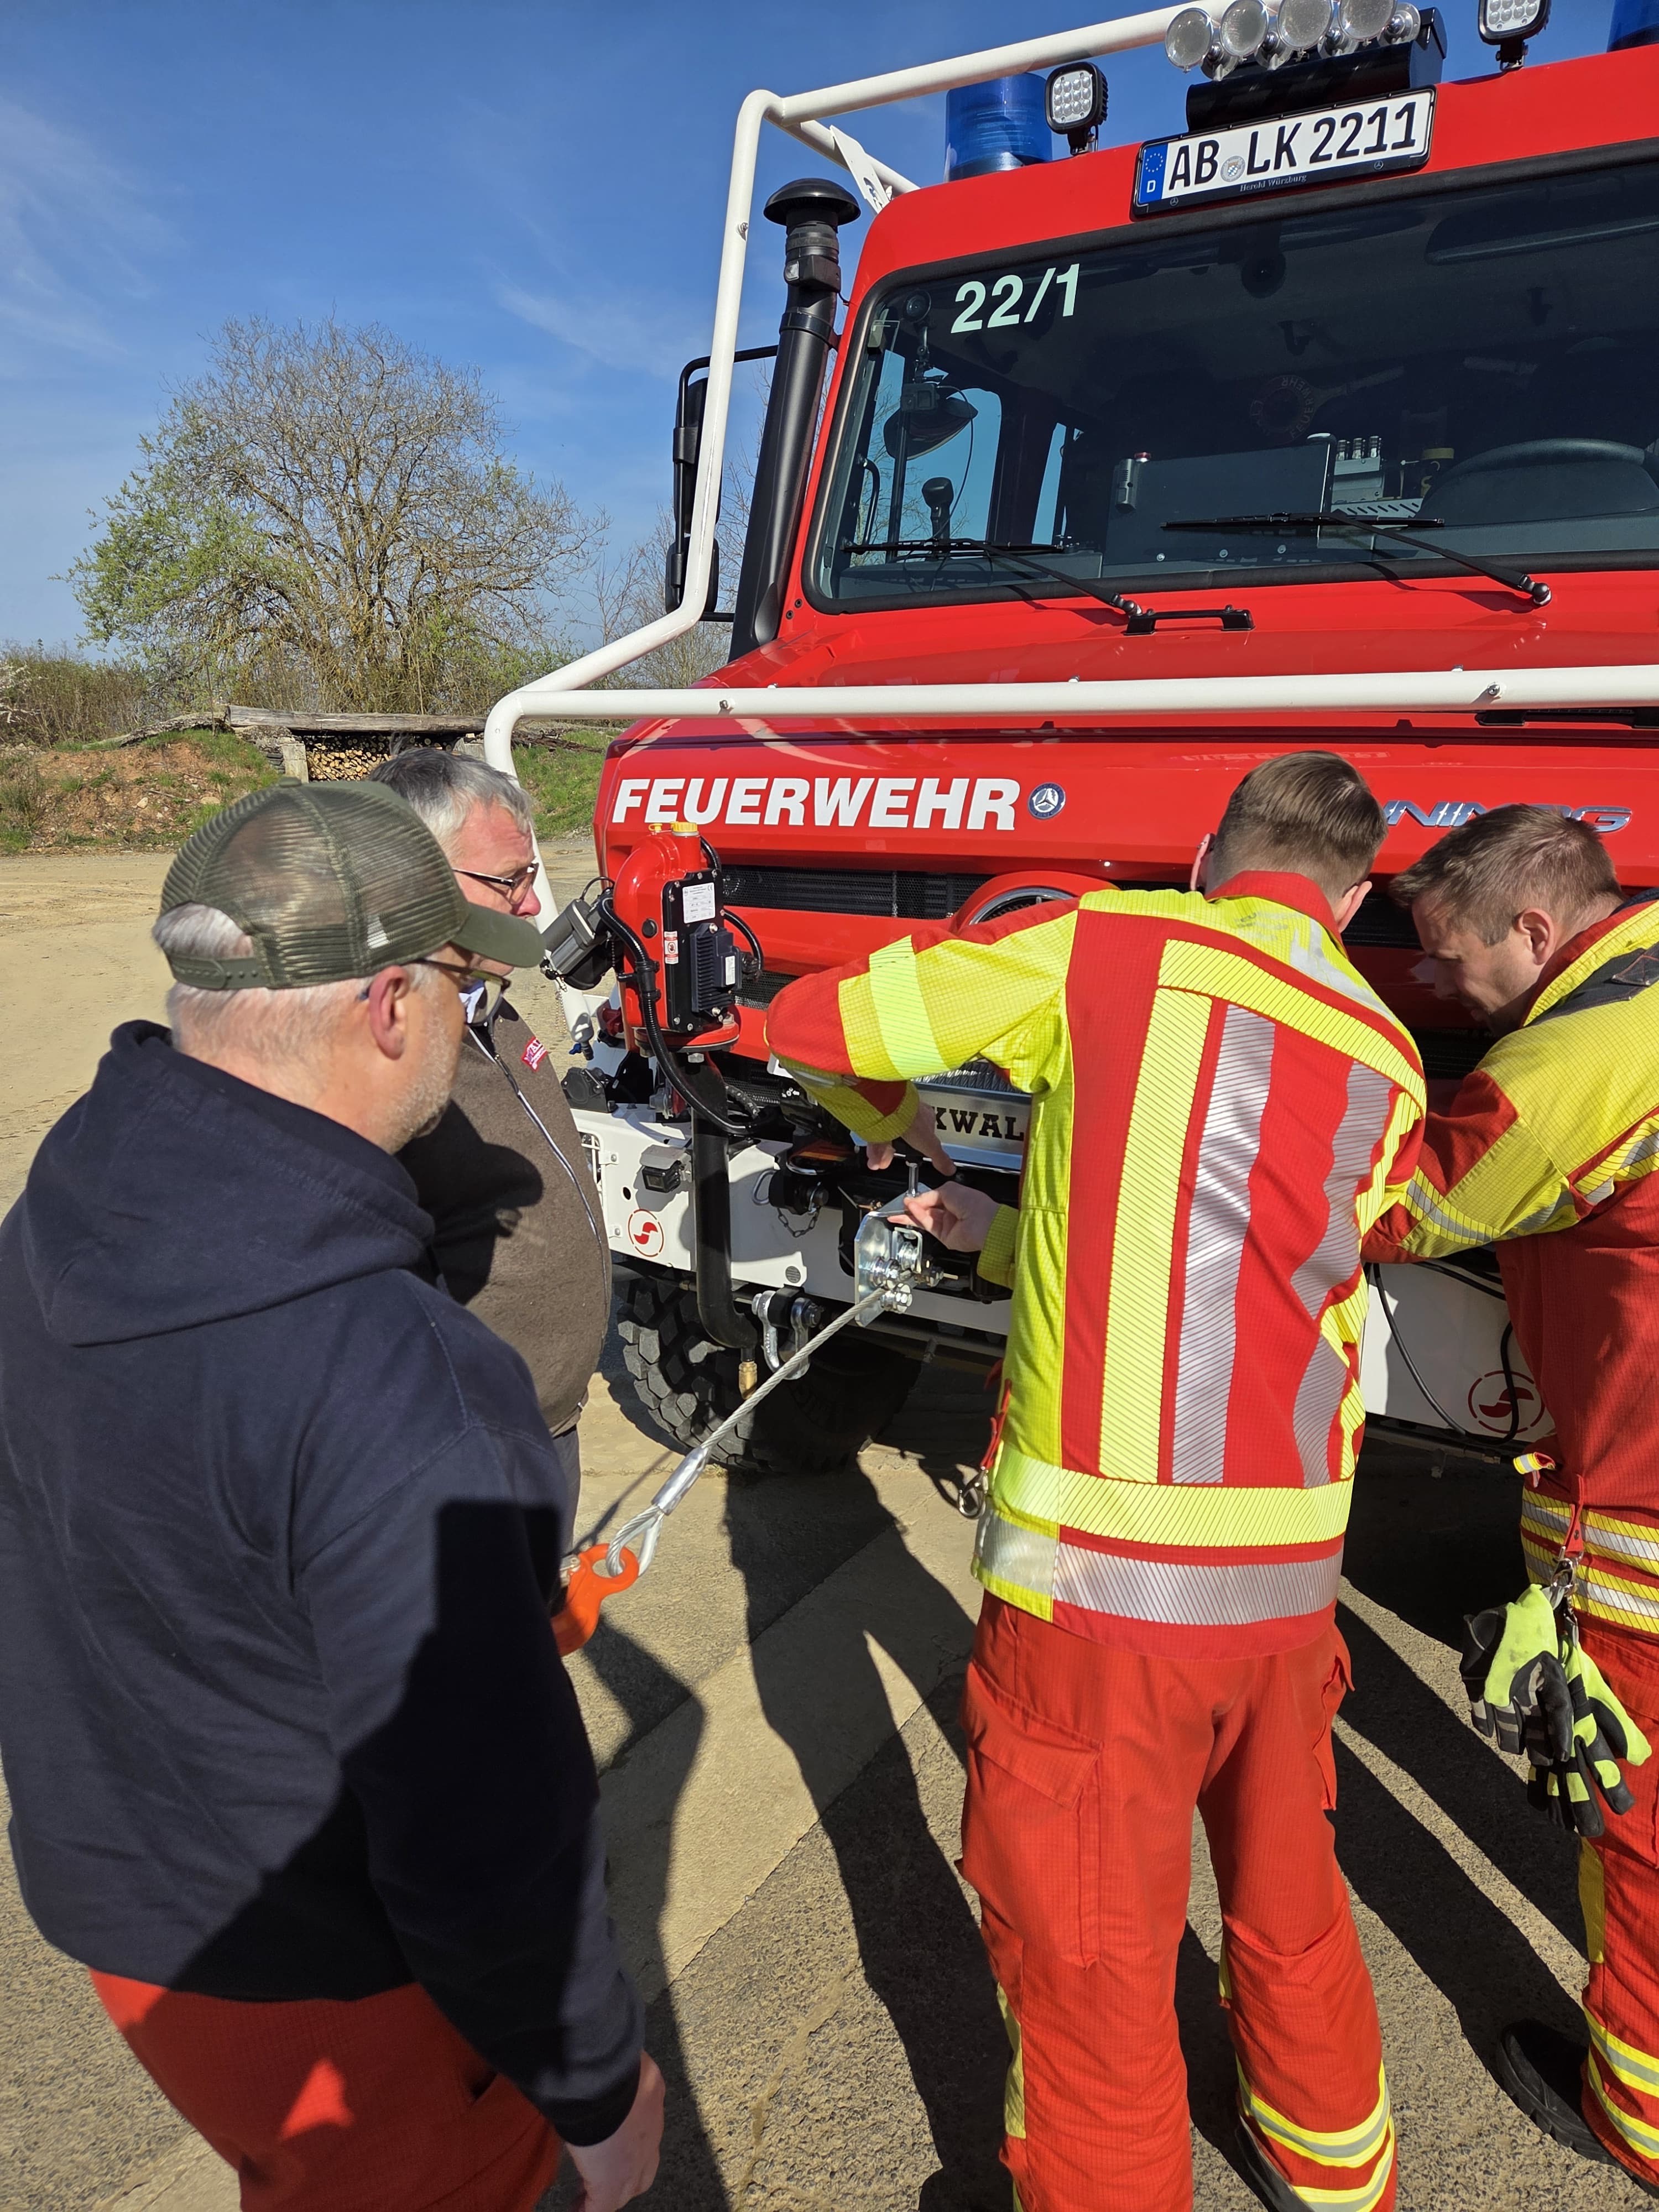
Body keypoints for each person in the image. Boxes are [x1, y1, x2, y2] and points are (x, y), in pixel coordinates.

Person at [765, 752, 1423, 2212]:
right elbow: (1266, 1264)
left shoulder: (1112, 946)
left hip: (1099, 1607)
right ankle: (1337, 2178)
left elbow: (824, 1020)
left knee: (1091, 1966)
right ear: (1349, 902)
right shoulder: (1386, 1051)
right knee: (1293, 1908)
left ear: (1208, 858)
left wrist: (894, 1122)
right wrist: (1006, 1236)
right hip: (1288, 1597)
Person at [0, 781, 661, 2212]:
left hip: (126, 1912)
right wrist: (598, 2086)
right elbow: (480, 1824)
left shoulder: (65, 1202)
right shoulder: (405, 1378)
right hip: (337, 1985)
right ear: (387, 1005)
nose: (474, 1016)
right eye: (460, 985)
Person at [1364, 802, 1659, 2192]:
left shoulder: (1572, 1061)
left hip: (1643, 1498)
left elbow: (1404, 1209)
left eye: (1452, 954)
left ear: (1537, 929)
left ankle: (1639, 2117)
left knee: (1636, 1824)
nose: (1437, 982)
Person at [367, 749, 610, 1468]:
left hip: (538, 1430)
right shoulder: (378, 1063)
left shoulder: (489, 1007)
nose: (533, 906)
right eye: (511, 881)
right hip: (458, 1454)